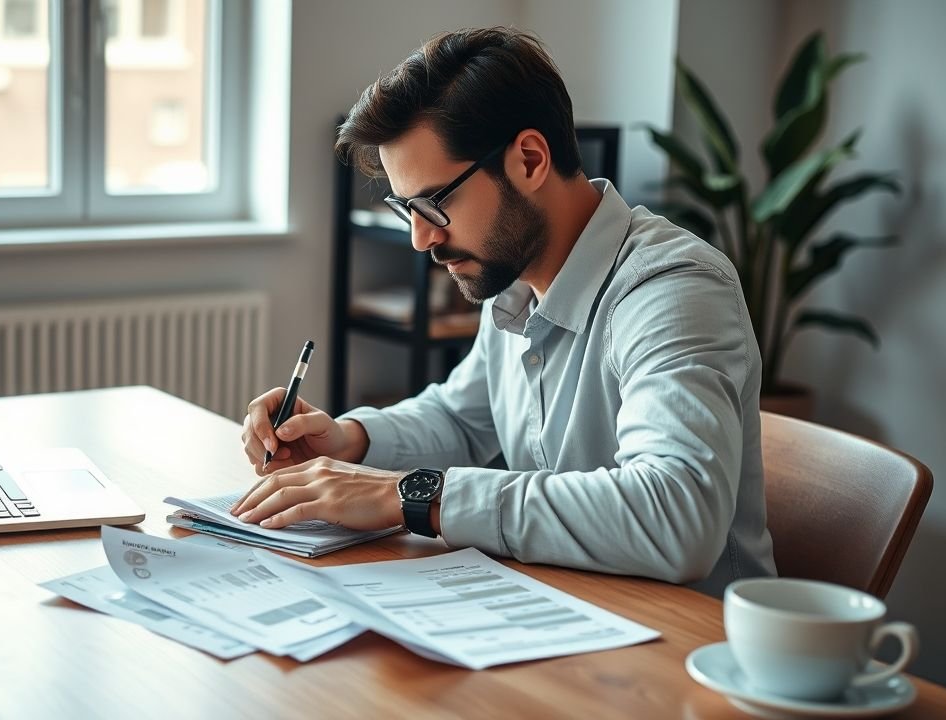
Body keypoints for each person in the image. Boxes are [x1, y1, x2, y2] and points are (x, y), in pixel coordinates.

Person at [232, 27, 775, 595]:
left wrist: (411, 496)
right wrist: (348, 441)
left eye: (434, 203)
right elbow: (462, 418)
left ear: (530, 160)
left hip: (689, 637)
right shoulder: (515, 281)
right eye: (406, 208)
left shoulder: (673, 289)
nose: (420, 238)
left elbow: (676, 515)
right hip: (567, 608)